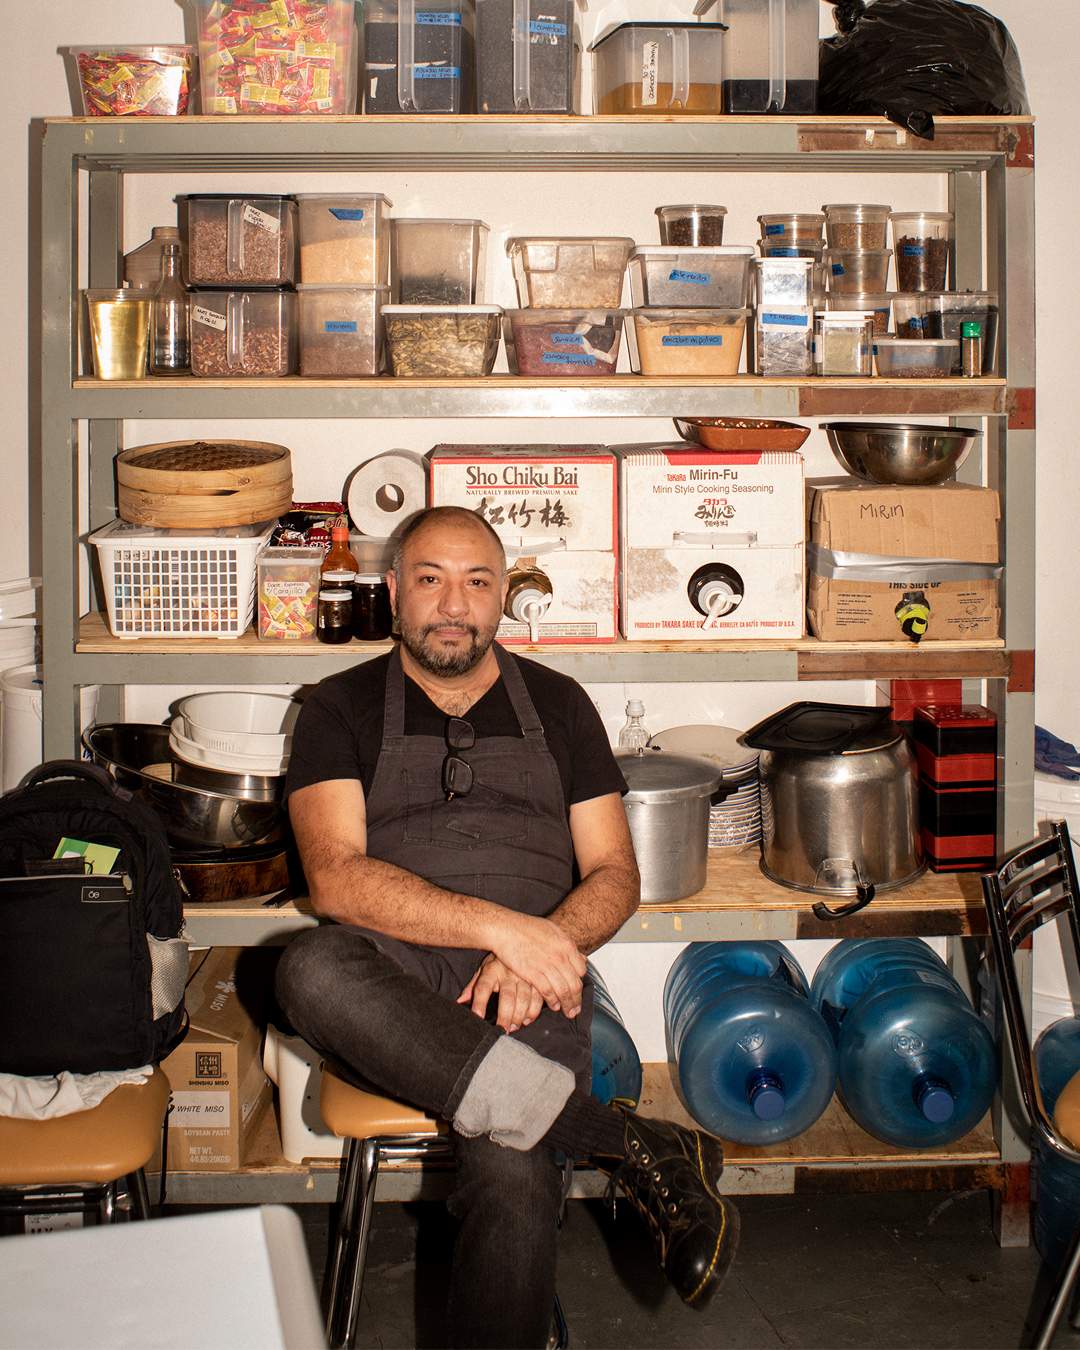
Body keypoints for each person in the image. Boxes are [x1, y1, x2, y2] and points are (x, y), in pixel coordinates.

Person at [276, 505, 739, 1349]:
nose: (454, 603)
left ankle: (594, 1143)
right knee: (308, 968)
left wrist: (539, 948)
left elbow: (615, 876)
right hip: (394, 980)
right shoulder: (336, 707)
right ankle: (625, 1143)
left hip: (530, 985)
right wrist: (505, 930)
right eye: (430, 579)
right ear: (392, 592)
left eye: (477, 581)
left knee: (514, 1169)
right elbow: (336, 880)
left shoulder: (561, 706)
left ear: (501, 598)